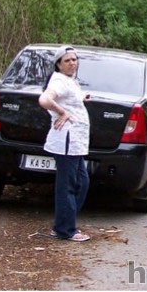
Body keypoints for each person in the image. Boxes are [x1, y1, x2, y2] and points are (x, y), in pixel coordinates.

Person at [38, 46, 91, 242]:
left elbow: (69, 96)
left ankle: (63, 223)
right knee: (68, 185)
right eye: (67, 60)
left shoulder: (69, 81)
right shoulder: (59, 80)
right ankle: (65, 229)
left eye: (74, 60)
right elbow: (44, 99)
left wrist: (81, 96)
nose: (72, 63)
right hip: (67, 142)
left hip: (77, 143)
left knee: (82, 183)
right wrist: (62, 112)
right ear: (59, 64)